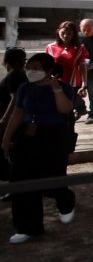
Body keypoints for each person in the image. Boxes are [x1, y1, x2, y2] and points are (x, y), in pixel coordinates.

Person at [2, 53, 77, 244]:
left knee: (52, 177)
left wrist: (56, 89)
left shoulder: (63, 87)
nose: (31, 71)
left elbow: (65, 110)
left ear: (49, 69)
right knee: (22, 181)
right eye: (29, 67)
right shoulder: (24, 88)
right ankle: (28, 227)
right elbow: (18, 113)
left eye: (36, 68)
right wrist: (6, 138)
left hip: (53, 136)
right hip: (28, 136)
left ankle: (65, 202)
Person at [45, 20, 88, 117]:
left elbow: (82, 66)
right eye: (63, 33)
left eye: (69, 34)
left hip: (73, 82)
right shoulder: (50, 47)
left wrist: (85, 84)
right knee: (57, 108)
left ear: (74, 34)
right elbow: (46, 66)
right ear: (58, 31)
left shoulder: (80, 48)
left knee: (68, 109)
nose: (65, 36)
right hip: (56, 81)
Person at [0, 48, 29, 185]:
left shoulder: (14, 76)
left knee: (11, 152)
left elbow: (15, 99)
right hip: (15, 119)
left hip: (12, 120)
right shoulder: (20, 74)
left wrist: (4, 119)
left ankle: (14, 184)